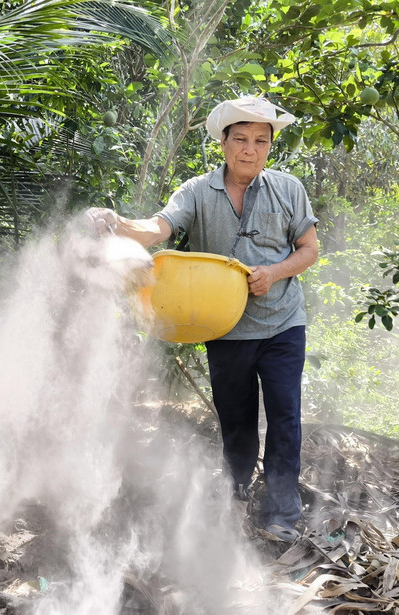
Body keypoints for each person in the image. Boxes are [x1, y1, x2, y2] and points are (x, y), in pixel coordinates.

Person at [87, 96, 318, 543]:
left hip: (284, 321)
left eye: (260, 141)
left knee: (286, 415)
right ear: (224, 143)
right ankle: (236, 488)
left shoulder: (288, 188)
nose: (250, 149)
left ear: (270, 147)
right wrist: (117, 222)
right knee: (236, 417)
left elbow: (309, 249)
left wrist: (274, 272)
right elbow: (158, 228)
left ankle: (282, 511)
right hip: (224, 324)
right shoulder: (197, 191)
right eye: (241, 140)